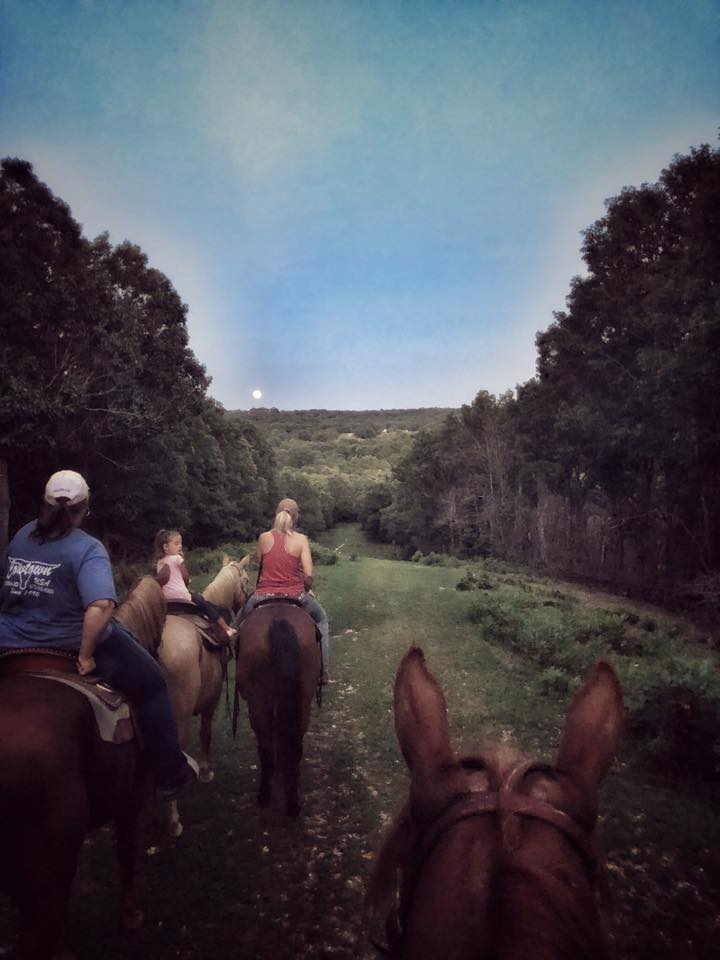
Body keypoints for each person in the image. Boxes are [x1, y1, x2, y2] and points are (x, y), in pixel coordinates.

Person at [0, 470, 196, 799]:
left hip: (9, 640)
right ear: (85, 508)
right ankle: (169, 774)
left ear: (44, 504)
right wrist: (85, 654)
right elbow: (101, 607)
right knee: (152, 683)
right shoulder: (87, 548)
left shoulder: (22, 536)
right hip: (65, 641)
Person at [241, 498, 330, 680]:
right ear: (296, 517)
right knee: (322, 618)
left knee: (239, 623)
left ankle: (236, 661)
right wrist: (306, 587)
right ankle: (322, 670)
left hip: (262, 595)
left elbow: (261, 562)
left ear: (276, 514)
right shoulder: (301, 540)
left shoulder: (263, 537)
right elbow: (309, 574)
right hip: (296, 595)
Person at [153, 529, 236, 643]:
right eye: (176, 543)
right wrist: (186, 580)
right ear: (166, 547)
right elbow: (185, 577)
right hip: (181, 596)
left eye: (181, 543)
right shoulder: (176, 558)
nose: (180, 546)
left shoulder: (159, 562)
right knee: (205, 605)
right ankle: (226, 628)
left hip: (166, 599)